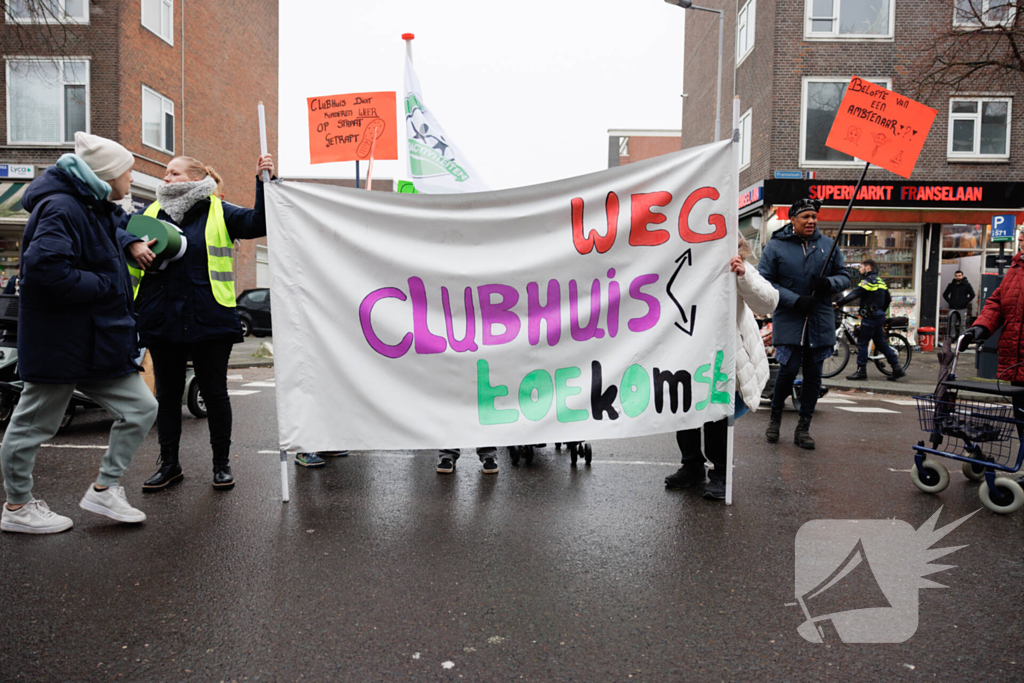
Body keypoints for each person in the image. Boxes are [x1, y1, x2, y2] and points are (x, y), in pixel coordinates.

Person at [0, 132, 158, 534]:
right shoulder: (61, 208)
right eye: (128, 170)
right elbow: (44, 274)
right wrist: (106, 283)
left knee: (142, 408)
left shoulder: (94, 205)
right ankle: (17, 508)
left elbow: (116, 227)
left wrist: (132, 241)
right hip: (63, 343)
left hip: (96, 340)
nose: (131, 175)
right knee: (32, 426)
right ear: (106, 175)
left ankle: (104, 489)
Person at [128, 154, 274, 491]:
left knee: (215, 392)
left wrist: (262, 182)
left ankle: (221, 465)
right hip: (162, 317)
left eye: (173, 173)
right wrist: (130, 242)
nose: (165, 178)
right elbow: (120, 237)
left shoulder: (219, 210)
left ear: (195, 177)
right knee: (166, 395)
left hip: (209, 317)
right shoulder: (150, 212)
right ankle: (169, 465)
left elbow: (259, 223)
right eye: (165, 173)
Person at [666, 236, 779, 499]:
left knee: (717, 413)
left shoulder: (736, 266)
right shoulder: (681, 262)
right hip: (688, 352)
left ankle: (720, 473)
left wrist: (743, 276)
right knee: (686, 411)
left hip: (724, 354)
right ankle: (692, 466)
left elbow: (769, 302)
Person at [758, 198, 850, 449]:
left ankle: (803, 428)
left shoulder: (828, 245)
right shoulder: (776, 247)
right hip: (790, 317)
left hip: (820, 320)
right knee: (787, 371)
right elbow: (764, 282)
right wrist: (795, 300)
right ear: (793, 220)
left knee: (813, 377)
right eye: (805, 217)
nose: (811, 221)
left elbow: (845, 276)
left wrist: (829, 284)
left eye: (814, 217)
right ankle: (775, 417)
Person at [960, 229, 1024, 486]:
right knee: (1022, 417)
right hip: (1017, 360)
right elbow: (998, 301)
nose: (1021, 239)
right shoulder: (1018, 266)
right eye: (1022, 235)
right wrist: (980, 328)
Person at [834, 259, 905, 381]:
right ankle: (897, 368)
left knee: (862, 342)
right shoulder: (881, 281)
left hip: (871, 316)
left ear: (868, 268)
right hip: (878, 315)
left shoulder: (867, 281)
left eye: (861, 267)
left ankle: (861, 371)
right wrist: (880, 311)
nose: (859, 270)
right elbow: (888, 299)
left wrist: (838, 303)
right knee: (881, 344)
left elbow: (854, 294)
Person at [943, 270, 975, 337]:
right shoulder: (951, 285)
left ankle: (961, 338)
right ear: (954, 276)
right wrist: (950, 301)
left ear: (962, 276)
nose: (958, 277)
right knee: (951, 324)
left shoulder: (967, 285)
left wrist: (965, 301)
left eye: (959, 276)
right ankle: (951, 337)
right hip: (952, 307)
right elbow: (945, 294)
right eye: (956, 276)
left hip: (962, 308)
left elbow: (972, 294)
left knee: (962, 324)